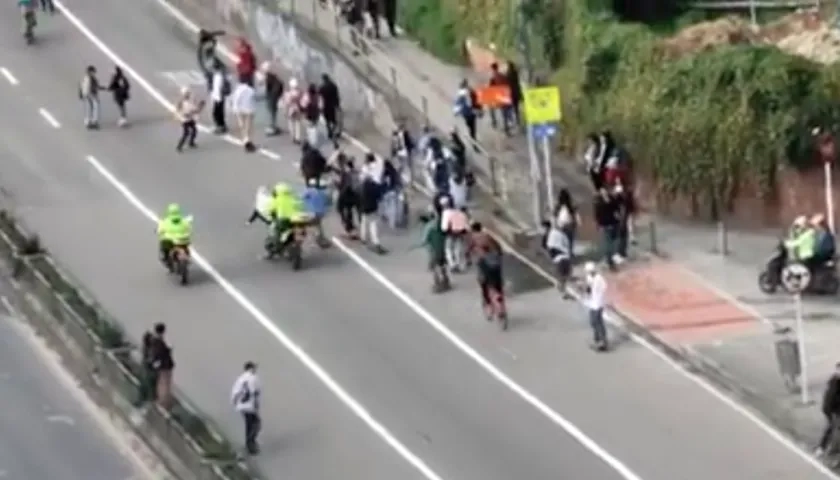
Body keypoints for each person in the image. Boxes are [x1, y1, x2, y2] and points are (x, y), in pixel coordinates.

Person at [471, 222, 504, 314]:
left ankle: (489, 304)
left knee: (483, 283)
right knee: (497, 282)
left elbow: (469, 249)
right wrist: (499, 255)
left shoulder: (473, 238)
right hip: (496, 262)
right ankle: (499, 297)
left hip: (485, 263)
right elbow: (499, 247)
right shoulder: (488, 236)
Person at [230, 361, 261, 455]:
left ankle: (249, 443)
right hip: (249, 404)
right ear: (250, 368)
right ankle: (250, 444)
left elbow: (234, 392)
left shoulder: (240, 378)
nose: (255, 370)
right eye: (254, 368)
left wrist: (235, 404)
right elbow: (254, 391)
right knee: (256, 424)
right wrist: (256, 405)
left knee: (249, 424)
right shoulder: (253, 378)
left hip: (241, 405)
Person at [415, 209, 450, 293]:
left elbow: (424, 241)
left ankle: (437, 285)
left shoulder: (429, 228)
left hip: (433, 251)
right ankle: (446, 281)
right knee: (442, 265)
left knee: (435, 268)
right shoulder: (442, 228)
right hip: (442, 250)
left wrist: (421, 244)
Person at [267, 183, 305, 250]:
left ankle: (277, 246)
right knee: (301, 230)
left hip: (283, 220)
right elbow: (302, 207)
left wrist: (272, 216)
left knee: (277, 231)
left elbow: (271, 210)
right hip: (296, 220)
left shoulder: (277, 200)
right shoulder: (294, 198)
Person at [156, 203, 193, 268]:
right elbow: (189, 229)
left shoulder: (165, 222)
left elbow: (160, 231)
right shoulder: (184, 221)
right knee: (186, 246)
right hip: (184, 239)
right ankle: (187, 256)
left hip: (170, 241)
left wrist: (158, 232)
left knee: (164, 245)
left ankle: (166, 258)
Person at [542, 220, 572, 299]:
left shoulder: (552, 234)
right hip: (565, 257)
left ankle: (562, 290)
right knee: (564, 276)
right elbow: (567, 245)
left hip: (560, 258)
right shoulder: (560, 234)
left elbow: (549, 247)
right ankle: (563, 291)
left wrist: (551, 258)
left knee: (562, 276)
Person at [149, 322, 175, 409]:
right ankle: (163, 403)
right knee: (165, 384)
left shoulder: (155, 340)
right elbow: (160, 354)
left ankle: (163, 401)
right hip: (165, 366)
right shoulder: (158, 342)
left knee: (162, 384)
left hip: (162, 366)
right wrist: (168, 350)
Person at [583, 261, 608, 351]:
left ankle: (602, 342)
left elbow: (604, 288)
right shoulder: (589, 277)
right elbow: (588, 288)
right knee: (594, 322)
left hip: (599, 303)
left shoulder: (599, 278)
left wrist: (598, 294)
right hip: (592, 303)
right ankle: (598, 340)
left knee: (597, 322)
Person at [440, 197, 469, 272]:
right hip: (460, 233)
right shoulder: (461, 213)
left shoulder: (446, 213)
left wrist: (444, 231)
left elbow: (444, 227)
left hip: (450, 233)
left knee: (448, 249)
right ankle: (458, 264)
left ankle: (452, 265)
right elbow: (466, 226)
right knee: (458, 249)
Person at [301, 177, 331, 245]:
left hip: (310, 213)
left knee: (302, 224)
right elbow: (328, 203)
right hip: (320, 213)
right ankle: (320, 238)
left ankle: (315, 237)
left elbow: (301, 199)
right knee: (317, 225)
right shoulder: (323, 193)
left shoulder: (308, 191)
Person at [230, 77, 257, 152]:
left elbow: (235, 99)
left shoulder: (238, 90)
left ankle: (245, 139)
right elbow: (254, 99)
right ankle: (247, 140)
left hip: (239, 110)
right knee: (248, 126)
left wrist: (234, 109)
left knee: (242, 125)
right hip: (249, 109)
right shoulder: (251, 90)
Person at [554, 188, 581, 260]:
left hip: (562, 226)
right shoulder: (571, 206)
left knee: (563, 241)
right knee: (570, 241)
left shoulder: (558, 206)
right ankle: (570, 254)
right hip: (570, 226)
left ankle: (565, 254)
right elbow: (576, 215)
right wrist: (578, 223)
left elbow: (555, 216)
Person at [175, 87, 203, 152]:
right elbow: (177, 111)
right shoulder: (181, 102)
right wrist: (183, 115)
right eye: (186, 93)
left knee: (194, 131)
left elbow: (195, 110)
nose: (187, 95)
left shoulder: (191, 101)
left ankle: (191, 143)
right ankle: (179, 146)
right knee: (186, 133)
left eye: (188, 93)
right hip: (185, 120)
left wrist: (200, 106)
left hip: (190, 119)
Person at [261, 61, 284, 136]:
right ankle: (274, 126)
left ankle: (271, 127)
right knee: (273, 112)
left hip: (271, 97)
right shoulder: (274, 76)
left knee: (270, 112)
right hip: (275, 96)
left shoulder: (268, 77)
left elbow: (267, 88)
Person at [487, 62, 511, 135]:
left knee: (491, 108)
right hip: (504, 95)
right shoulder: (502, 75)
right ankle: (507, 129)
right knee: (505, 114)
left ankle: (494, 122)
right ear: (497, 67)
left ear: (492, 69)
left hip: (497, 96)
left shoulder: (493, 77)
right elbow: (507, 84)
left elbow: (491, 87)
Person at [319, 74, 341, 146]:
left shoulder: (322, 87)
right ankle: (333, 130)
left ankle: (329, 132)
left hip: (325, 106)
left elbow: (319, 96)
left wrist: (320, 106)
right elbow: (337, 95)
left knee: (327, 120)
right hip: (333, 105)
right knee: (334, 121)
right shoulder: (334, 86)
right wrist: (337, 105)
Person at [209, 60, 229, 134]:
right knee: (220, 113)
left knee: (216, 113)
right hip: (218, 97)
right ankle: (222, 126)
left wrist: (217, 97)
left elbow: (219, 88)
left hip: (219, 97)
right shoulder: (218, 75)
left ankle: (220, 126)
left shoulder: (218, 77)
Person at [282, 78, 304, 143]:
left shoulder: (288, 93)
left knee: (291, 123)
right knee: (298, 124)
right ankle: (298, 138)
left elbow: (286, 103)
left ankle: (293, 136)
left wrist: (285, 110)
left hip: (290, 109)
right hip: (297, 109)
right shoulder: (300, 92)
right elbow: (302, 101)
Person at [79, 65, 101, 130]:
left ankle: (89, 121)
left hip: (87, 95)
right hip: (90, 95)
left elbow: (81, 86)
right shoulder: (90, 79)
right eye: (93, 72)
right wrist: (95, 96)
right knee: (94, 107)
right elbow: (92, 88)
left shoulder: (86, 78)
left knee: (90, 108)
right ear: (90, 72)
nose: (94, 73)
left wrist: (81, 95)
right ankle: (93, 122)